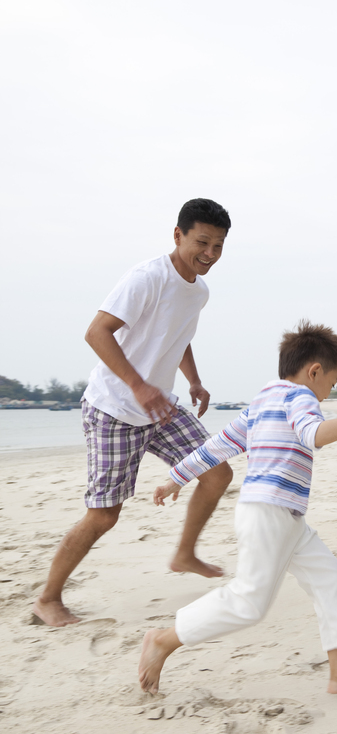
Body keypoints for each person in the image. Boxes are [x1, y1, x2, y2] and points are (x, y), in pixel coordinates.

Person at [138, 320, 337, 695]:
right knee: (249, 602)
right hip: (269, 513)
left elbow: (219, 445)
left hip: (287, 518)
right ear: (314, 371)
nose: (328, 393)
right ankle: (164, 639)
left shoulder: (264, 399)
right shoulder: (300, 398)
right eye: (332, 382)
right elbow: (314, 435)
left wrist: (176, 477)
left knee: (330, 579)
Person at [33, 198, 234, 627]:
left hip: (158, 406)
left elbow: (177, 337)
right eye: (203, 242)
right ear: (178, 236)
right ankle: (48, 598)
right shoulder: (147, 278)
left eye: (219, 245)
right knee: (105, 514)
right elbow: (96, 332)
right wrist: (138, 385)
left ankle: (184, 553)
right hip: (113, 408)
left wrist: (194, 380)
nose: (210, 254)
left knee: (217, 470)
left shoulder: (198, 290)